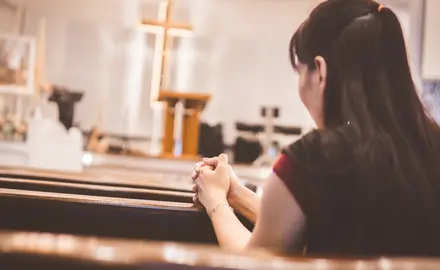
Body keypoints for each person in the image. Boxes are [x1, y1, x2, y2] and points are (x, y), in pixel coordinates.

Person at [191, 0, 440, 257]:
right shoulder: (430, 147)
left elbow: (254, 263)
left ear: (320, 72)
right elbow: (312, 219)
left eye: (300, 71)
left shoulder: (313, 159)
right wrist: (237, 195)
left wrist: (215, 201)